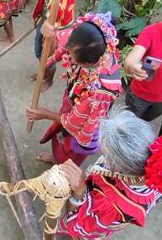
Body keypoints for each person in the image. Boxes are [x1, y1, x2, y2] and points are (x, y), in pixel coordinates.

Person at [56, 109, 162, 238]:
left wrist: (79, 193)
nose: (104, 157)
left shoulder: (111, 204)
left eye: (107, 154)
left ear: (117, 165)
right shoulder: (159, 169)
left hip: (88, 223)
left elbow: (81, 228)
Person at [26, 12, 122, 166]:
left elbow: (74, 123)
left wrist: (45, 114)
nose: (67, 55)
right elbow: (57, 46)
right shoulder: (87, 39)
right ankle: (56, 158)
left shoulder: (100, 91)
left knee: (70, 151)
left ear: (88, 64)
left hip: (85, 119)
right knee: (60, 139)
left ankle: (63, 167)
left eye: (72, 59)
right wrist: (49, 35)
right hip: (74, 100)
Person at [31, 0, 78, 92]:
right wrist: (38, 15)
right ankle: (44, 71)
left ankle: (49, 80)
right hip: (45, 19)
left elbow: (57, 15)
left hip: (59, 26)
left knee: (49, 55)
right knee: (39, 51)